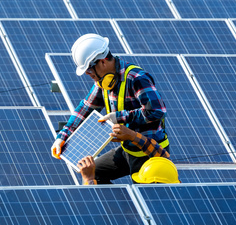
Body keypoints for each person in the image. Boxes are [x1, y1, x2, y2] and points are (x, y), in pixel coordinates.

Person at [51, 34, 169, 184]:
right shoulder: (102, 82)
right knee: (95, 174)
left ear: (102, 62)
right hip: (128, 149)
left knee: (147, 195)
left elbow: (156, 111)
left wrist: (119, 117)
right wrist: (63, 136)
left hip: (149, 150)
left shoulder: (136, 78)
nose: (89, 75)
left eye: (89, 71)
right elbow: (85, 107)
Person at [76, 124, 178, 185]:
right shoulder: (171, 183)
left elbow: (97, 207)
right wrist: (132, 136)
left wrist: (88, 179)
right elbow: (161, 155)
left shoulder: (138, 215)